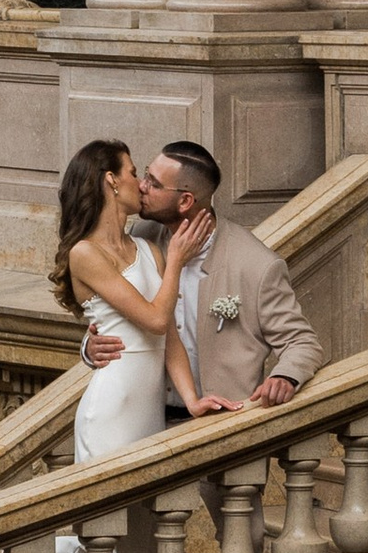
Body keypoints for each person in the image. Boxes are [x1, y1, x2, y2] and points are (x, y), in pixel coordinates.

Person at [0, 139, 220, 553]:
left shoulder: (146, 248)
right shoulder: (85, 254)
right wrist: (178, 265)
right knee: (99, 531)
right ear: (107, 181)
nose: (137, 181)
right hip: (111, 408)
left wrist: (191, 400)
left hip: (146, 413)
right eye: (130, 171)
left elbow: (165, 334)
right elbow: (150, 317)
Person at [81, 141, 322, 411]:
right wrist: (90, 347)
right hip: (145, 415)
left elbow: (302, 341)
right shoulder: (141, 238)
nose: (141, 187)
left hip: (221, 425)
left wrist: (283, 376)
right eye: (145, 174)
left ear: (185, 201)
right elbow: (121, 312)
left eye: (154, 183)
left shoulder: (257, 265)